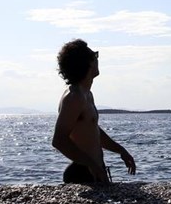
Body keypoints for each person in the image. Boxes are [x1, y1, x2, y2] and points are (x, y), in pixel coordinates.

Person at [52, 39, 137, 184]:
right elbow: (59, 140)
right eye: (95, 55)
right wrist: (90, 164)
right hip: (82, 172)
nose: (97, 59)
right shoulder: (74, 97)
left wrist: (120, 150)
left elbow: (92, 131)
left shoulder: (87, 94)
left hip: (94, 169)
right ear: (87, 62)